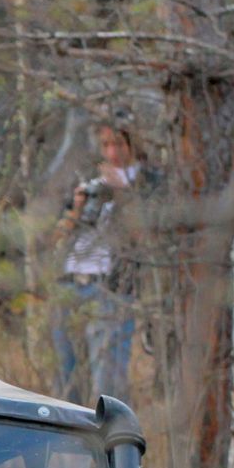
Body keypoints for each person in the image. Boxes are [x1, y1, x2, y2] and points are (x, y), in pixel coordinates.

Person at [51, 120, 151, 404]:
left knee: (107, 381)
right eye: (105, 144)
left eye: (118, 144)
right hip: (71, 282)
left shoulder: (146, 181)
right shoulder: (89, 179)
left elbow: (144, 237)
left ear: (133, 144)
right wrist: (79, 206)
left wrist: (123, 193)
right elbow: (57, 235)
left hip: (109, 287)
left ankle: (110, 444)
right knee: (66, 373)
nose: (112, 152)